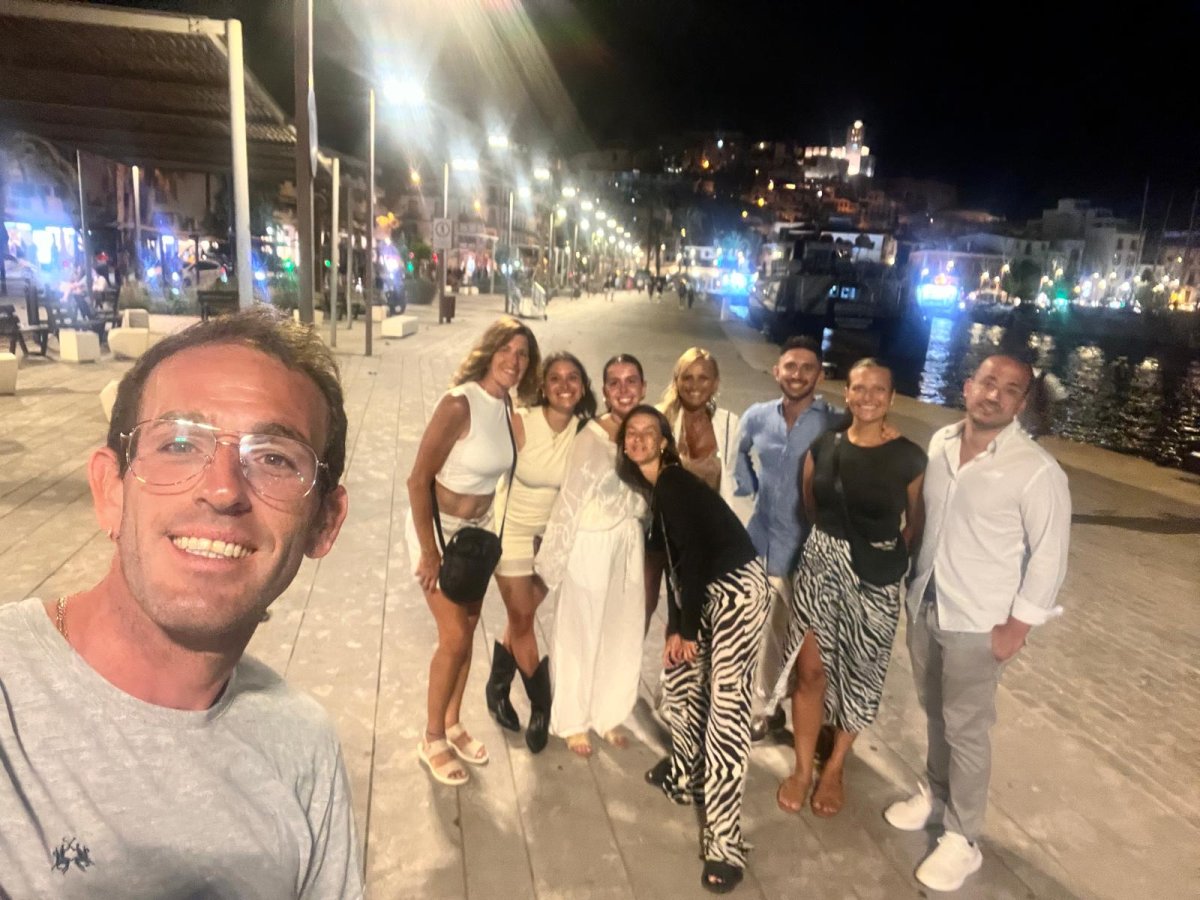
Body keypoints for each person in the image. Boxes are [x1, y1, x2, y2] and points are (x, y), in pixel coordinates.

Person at [0, 309, 362, 897]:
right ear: (110, 491)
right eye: (178, 444)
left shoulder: (303, 746)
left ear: (325, 522)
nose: (222, 489)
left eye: (274, 458)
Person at [884, 354, 1071, 892]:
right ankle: (937, 793)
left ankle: (963, 838)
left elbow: (1050, 558)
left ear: (1021, 403)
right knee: (935, 711)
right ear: (968, 387)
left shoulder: (1036, 471)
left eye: (1009, 389)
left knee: (966, 729)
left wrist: (1016, 629)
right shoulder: (941, 444)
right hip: (927, 601)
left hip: (980, 620)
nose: (994, 394)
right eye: (988, 382)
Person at [618, 405, 768, 895]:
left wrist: (684, 629)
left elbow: (698, 555)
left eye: (650, 431)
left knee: (726, 714)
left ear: (665, 441)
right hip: (705, 593)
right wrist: (677, 625)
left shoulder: (673, 483)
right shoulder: (659, 490)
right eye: (631, 432)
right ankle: (688, 773)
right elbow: (678, 560)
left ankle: (725, 844)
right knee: (680, 682)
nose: (639, 438)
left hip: (737, 593)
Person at [772, 358, 926, 819]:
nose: (868, 397)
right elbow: (810, 504)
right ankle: (803, 768)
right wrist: (832, 547)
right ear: (847, 393)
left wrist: (882, 558)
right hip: (820, 564)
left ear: (892, 397)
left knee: (861, 673)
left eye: (878, 389)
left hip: (874, 577)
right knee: (810, 671)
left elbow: (915, 523)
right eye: (859, 388)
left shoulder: (909, 457)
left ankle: (835, 766)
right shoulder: (825, 446)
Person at [405, 316, 541, 786]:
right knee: (455, 638)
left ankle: (453, 722)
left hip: (476, 538)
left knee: (468, 630)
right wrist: (429, 551)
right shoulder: (459, 403)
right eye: (506, 350)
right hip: (438, 531)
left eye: (522, 355)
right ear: (489, 351)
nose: (514, 361)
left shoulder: (506, 407)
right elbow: (417, 480)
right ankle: (431, 737)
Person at [535, 354, 649, 757]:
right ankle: (572, 719)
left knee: (621, 630)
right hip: (590, 545)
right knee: (580, 631)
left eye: (631, 381)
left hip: (628, 545)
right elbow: (570, 499)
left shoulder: (650, 431)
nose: (623, 389)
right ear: (604, 391)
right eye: (614, 382)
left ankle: (609, 711)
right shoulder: (592, 437)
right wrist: (553, 561)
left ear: (643, 388)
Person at [485, 352, 597, 754]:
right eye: (555, 378)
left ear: (583, 387)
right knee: (523, 620)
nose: (564, 385)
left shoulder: (586, 432)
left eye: (573, 377)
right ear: (543, 387)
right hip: (512, 531)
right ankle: (541, 706)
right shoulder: (522, 421)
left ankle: (497, 685)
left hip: (553, 539)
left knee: (522, 618)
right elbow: (488, 467)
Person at [733, 336, 840, 741]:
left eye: (807, 368)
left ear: (820, 375)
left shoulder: (834, 421)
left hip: (807, 551)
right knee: (761, 633)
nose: (797, 375)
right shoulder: (758, 416)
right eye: (790, 366)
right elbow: (739, 452)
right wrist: (748, 485)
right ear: (777, 370)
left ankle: (812, 714)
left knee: (805, 642)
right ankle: (765, 707)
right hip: (760, 542)